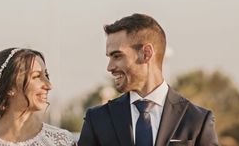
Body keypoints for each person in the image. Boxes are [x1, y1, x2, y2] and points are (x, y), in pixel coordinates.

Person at [78, 13, 219, 146]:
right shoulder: (97, 120)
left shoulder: (198, 120)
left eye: (117, 56)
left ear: (146, 54)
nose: (110, 67)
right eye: (109, 57)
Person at [0, 47, 76, 146]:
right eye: (36, 76)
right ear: (9, 87)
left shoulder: (62, 141)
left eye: (46, 75)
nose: (48, 85)